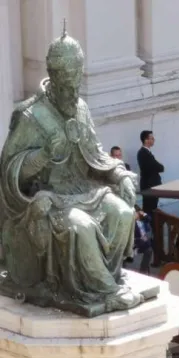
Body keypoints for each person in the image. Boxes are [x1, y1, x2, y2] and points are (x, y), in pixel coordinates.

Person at [0, 29, 141, 312]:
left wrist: (119, 175)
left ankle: (102, 279)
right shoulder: (30, 115)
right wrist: (42, 156)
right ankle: (106, 291)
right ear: (53, 77)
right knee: (82, 228)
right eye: (67, 86)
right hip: (49, 199)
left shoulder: (81, 108)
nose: (74, 93)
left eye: (77, 84)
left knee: (123, 214)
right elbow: (10, 169)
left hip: (85, 190)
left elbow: (95, 155)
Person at [137, 129, 164, 215]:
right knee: (150, 210)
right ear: (146, 140)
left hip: (151, 187)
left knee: (152, 209)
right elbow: (158, 167)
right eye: (151, 138)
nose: (153, 140)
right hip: (149, 187)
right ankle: (151, 228)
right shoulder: (144, 153)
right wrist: (161, 167)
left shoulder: (146, 152)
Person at [133, 205, 153, 274]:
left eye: (136, 213)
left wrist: (143, 213)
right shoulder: (131, 223)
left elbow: (149, 218)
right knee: (147, 244)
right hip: (136, 243)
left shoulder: (143, 220)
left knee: (149, 250)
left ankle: (143, 270)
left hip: (143, 242)